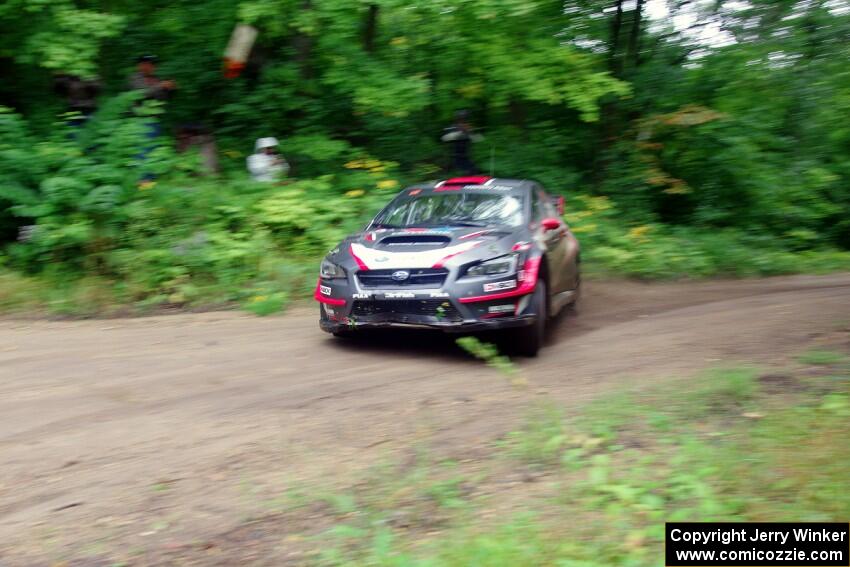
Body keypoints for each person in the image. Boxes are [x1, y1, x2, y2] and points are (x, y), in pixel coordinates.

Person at [441, 109, 483, 175]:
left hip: (467, 157)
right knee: (464, 173)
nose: (463, 120)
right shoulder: (452, 128)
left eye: (464, 119)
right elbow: (444, 138)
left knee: (475, 172)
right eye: (461, 119)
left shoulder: (468, 128)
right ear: (457, 119)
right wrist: (460, 132)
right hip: (455, 158)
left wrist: (470, 132)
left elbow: (479, 139)